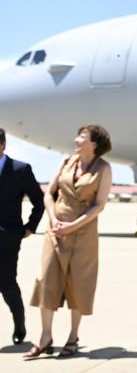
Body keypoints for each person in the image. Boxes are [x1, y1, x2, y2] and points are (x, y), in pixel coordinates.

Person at [25, 125, 112, 359]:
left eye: (82, 137)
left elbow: (99, 204)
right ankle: (45, 338)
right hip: (55, 228)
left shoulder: (103, 168)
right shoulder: (66, 162)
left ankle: (73, 337)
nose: (76, 140)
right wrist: (53, 219)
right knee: (46, 280)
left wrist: (73, 226)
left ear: (94, 143)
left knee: (78, 284)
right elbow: (48, 193)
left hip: (83, 232)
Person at [0, 128, 44, 345]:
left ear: (3, 145)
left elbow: (39, 201)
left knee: (6, 283)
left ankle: (19, 323)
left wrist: (30, 227)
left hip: (8, 237)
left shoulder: (20, 170)